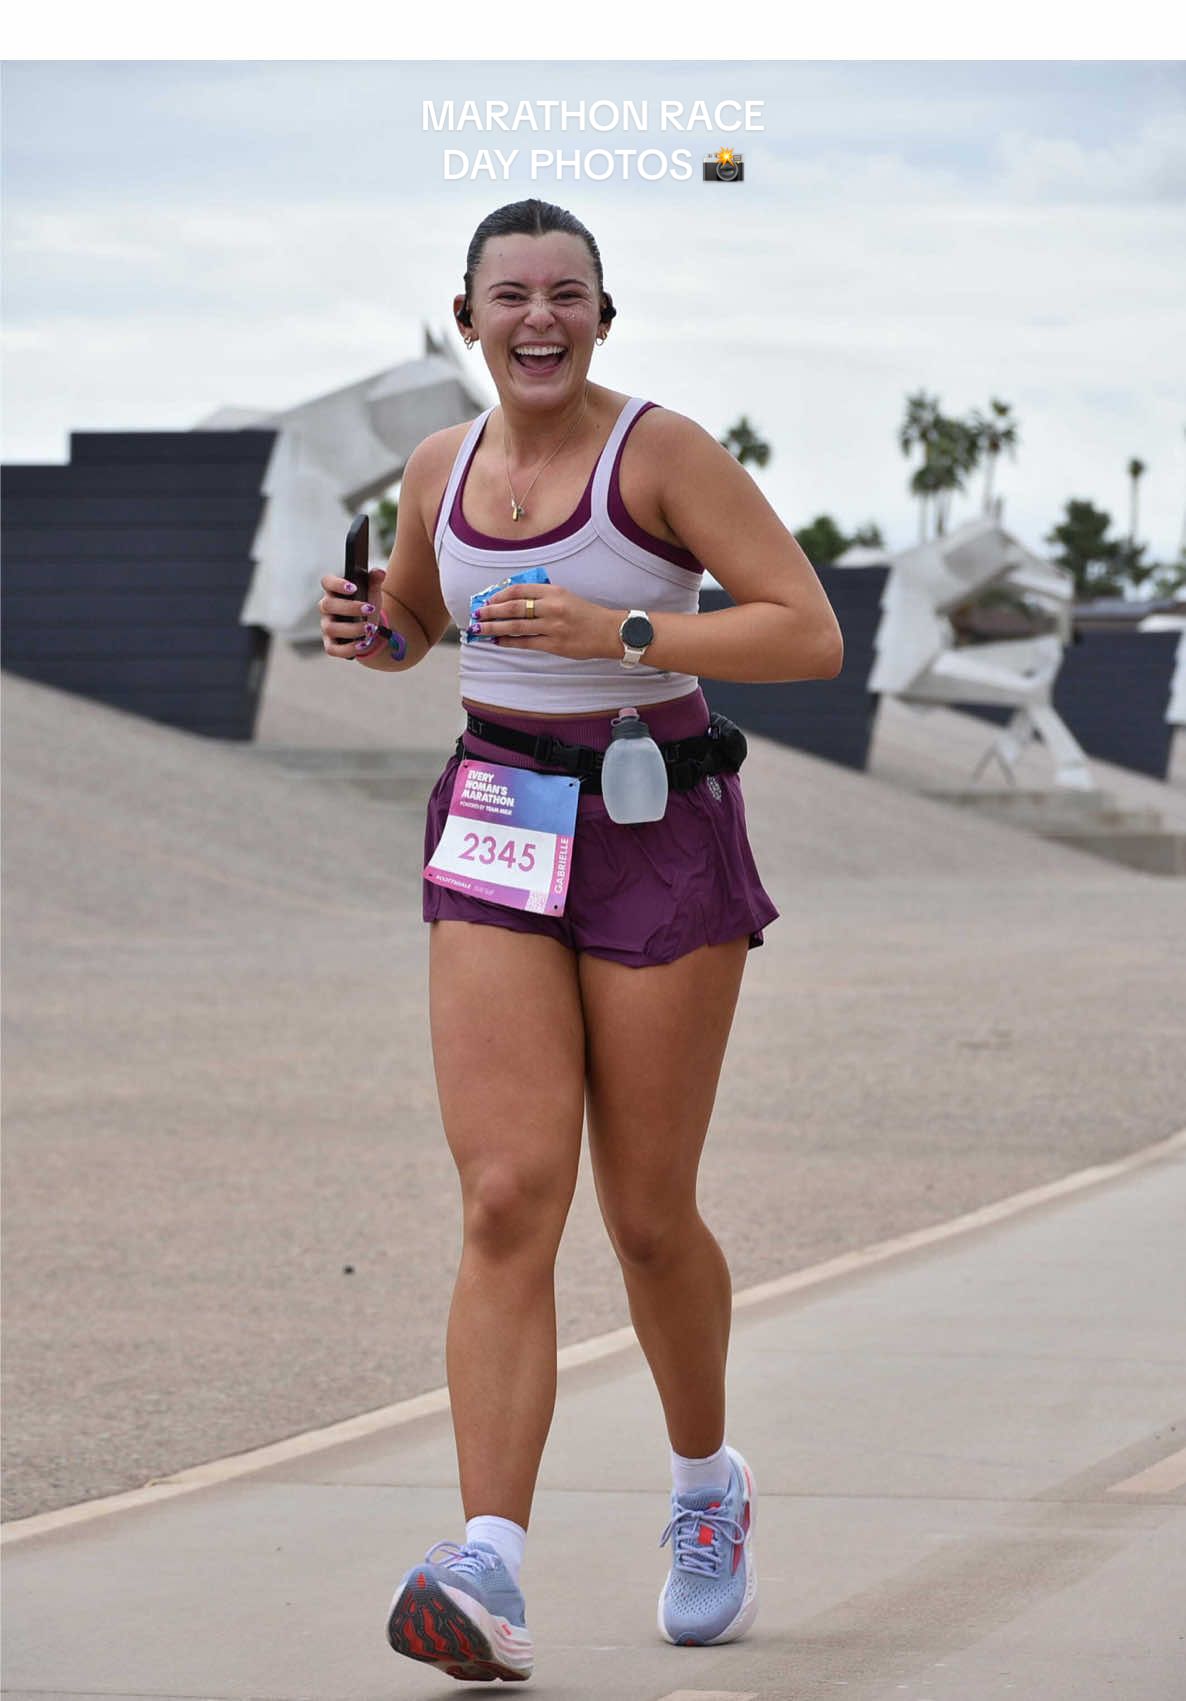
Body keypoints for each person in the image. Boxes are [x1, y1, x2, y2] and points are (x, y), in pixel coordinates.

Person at [319, 198, 843, 1684]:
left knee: (648, 1213)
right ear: (467, 317)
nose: (536, 317)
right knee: (501, 1194)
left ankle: (704, 1489)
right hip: (494, 811)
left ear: (603, 315)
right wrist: (377, 627)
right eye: (509, 296)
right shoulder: (442, 466)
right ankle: (486, 1560)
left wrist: (624, 637)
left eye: (565, 294)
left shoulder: (659, 454)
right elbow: (425, 615)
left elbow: (804, 630)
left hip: (652, 815)